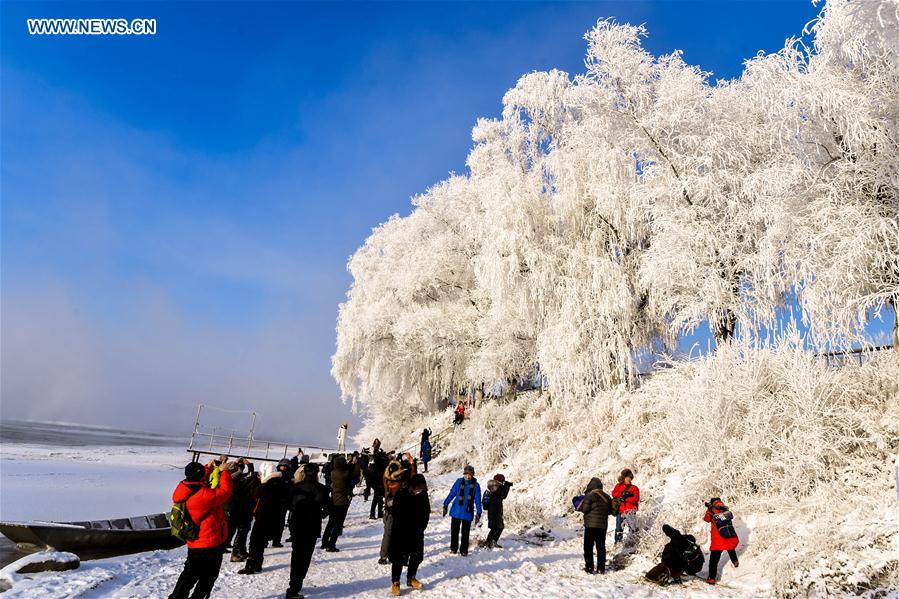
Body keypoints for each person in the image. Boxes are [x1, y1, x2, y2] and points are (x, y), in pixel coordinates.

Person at [169, 459, 233, 599]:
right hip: (208, 542)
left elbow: (199, 480)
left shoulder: (184, 487)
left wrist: (207, 468)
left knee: (189, 575)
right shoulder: (204, 495)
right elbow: (224, 492)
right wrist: (224, 472)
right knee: (207, 576)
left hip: (196, 541)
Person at [285, 463, 329, 599]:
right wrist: (319, 514)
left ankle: (294, 583)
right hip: (311, 525)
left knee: (297, 554)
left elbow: (288, 504)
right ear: (316, 473)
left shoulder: (295, 487)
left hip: (297, 524)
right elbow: (327, 508)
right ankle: (296, 585)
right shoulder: (321, 489)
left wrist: (296, 510)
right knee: (305, 556)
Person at [239, 462, 288, 575]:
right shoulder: (281, 484)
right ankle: (258, 564)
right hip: (275, 517)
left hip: (263, 517)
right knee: (260, 542)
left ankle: (251, 565)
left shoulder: (267, 486)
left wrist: (258, 481)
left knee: (255, 541)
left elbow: (254, 493)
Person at [388, 473, 430, 596]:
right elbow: (395, 513)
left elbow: (426, 512)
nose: (418, 491)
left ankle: (411, 578)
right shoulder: (401, 494)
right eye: (416, 489)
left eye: (420, 489)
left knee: (417, 556)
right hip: (401, 531)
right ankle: (395, 582)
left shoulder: (423, 495)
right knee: (398, 558)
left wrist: (422, 526)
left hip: (417, 531)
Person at [379, 454, 416, 564]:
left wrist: (390, 463)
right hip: (401, 511)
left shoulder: (386, 480)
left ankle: (383, 556)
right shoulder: (402, 481)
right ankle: (402, 557)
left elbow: (385, 473)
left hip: (388, 510)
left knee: (387, 534)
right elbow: (413, 476)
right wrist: (412, 462)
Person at [442, 465, 482, 556]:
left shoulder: (476, 486)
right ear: (464, 474)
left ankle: (464, 550)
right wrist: (445, 504)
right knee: (454, 532)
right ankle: (453, 549)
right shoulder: (459, 482)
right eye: (466, 474)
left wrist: (479, 512)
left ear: (472, 475)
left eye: (470, 474)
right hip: (456, 511)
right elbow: (452, 494)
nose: (467, 476)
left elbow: (477, 500)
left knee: (465, 533)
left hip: (467, 512)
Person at [577, 477, 612, 574]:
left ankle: (589, 567)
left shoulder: (590, 496)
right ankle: (601, 568)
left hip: (591, 526)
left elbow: (584, 509)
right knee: (601, 547)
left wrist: (578, 503)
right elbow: (609, 511)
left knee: (588, 546)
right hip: (602, 526)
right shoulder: (607, 497)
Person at [228, 458, 259, 563]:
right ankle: (236, 553)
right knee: (242, 530)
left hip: (235, 508)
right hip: (242, 508)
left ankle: (241, 550)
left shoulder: (230, 477)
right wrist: (249, 465)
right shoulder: (237, 478)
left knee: (242, 530)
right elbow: (250, 477)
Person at [703, 497, 740, 584]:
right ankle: (735, 561)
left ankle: (712, 578)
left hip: (718, 540)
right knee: (730, 547)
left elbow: (706, 519)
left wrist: (708, 509)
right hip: (728, 536)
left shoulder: (711, 511)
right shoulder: (725, 509)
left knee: (713, 561)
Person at [321, 455, 352, 551]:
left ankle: (324, 542)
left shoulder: (333, 473)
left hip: (333, 500)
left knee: (331, 522)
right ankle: (331, 544)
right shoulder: (344, 474)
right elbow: (351, 475)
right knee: (338, 525)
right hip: (342, 502)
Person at [482, 473, 512, 548]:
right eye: (503, 481)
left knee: (495, 527)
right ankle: (491, 542)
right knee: (498, 527)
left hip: (493, 511)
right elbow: (504, 495)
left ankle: (489, 542)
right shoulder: (497, 488)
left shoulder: (493, 487)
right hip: (495, 511)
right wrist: (507, 486)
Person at [612, 468, 640, 544]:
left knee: (632, 528)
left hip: (631, 511)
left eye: (630, 477)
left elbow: (636, 499)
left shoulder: (634, 488)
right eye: (627, 477)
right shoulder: (618, 486)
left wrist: (626, 498)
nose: (629, 479)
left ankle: (633, 543)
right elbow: (614, 494)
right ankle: (618, 542)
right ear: (623, 478)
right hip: (620, 511)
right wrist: (622, 495)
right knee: (618, 528)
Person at [271, 458, 293, 547]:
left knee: (280, 523)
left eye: (284, 466)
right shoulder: (275, 475)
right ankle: (265, 540)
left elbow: (291, 489)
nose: (282, 467)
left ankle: (276, 541)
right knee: (270, 521)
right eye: (281, 466)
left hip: (283, 503)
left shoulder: (289, 476)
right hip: (273, 502)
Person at [369, 440, 388, 520]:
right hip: (377, 480)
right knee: (376, 497)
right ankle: (372, 514)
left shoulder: (379, 455)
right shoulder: (376, 454)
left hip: (381, 479)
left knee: (379, 497)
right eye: (377, 443)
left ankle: (379, 513)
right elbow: (376, 457)